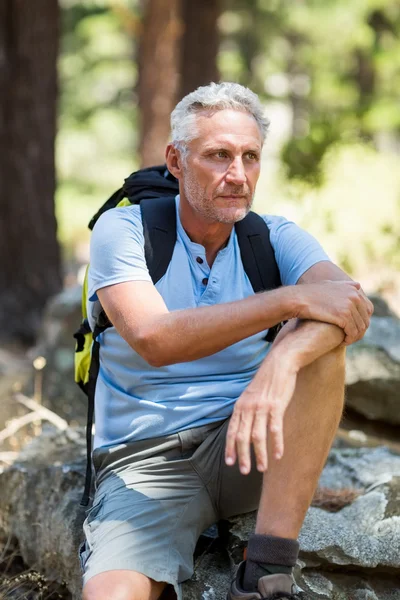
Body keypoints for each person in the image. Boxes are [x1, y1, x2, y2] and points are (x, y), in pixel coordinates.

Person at [80, 82, 373, 600]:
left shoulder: (274, 236)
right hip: (147, 465)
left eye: (250, 157)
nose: (237, 175)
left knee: (320, 353)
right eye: (218, 156)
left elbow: (348, 304)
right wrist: (289, 303)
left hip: (254, 444)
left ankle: (265, 571)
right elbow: (155, 338)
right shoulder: (123, 231)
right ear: (176, 159)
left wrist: (280, 363)